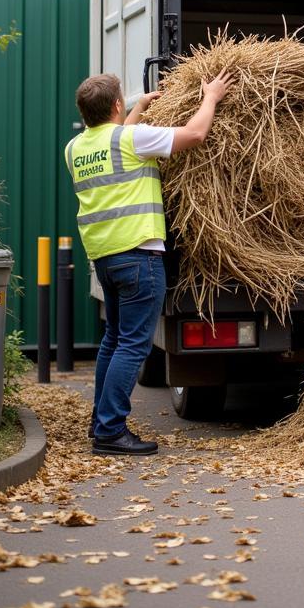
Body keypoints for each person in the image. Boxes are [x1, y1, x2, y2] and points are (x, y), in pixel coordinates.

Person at [65, 69, 234, 455]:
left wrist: (138, 107)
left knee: (113, 341)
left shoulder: (75, 148)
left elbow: (115, 143)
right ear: (115, 105)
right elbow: (194, 135)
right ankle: (110, 431)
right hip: (139, 255)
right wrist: (211, 96)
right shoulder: (129, 139)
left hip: (106, 258)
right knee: (132, 347)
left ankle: (101, 424)